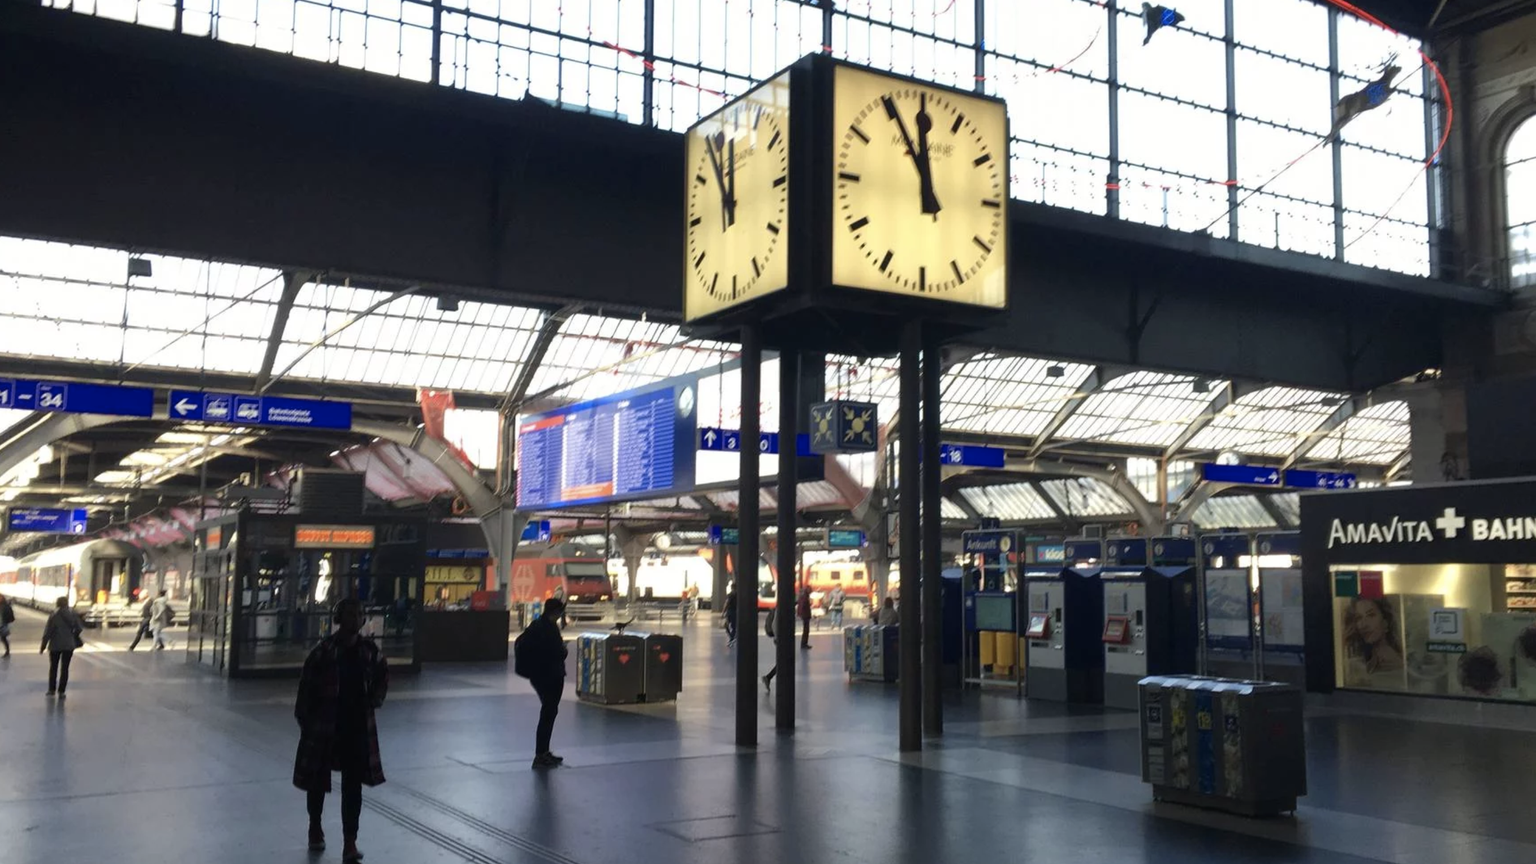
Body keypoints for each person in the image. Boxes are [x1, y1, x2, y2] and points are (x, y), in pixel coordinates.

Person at [294, 599, 389, 862]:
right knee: (317, 779)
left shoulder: (369, 651)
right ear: (339, 618)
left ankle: (350, 841)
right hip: (326, 725)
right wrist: (306, 720)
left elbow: (383, 674)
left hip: (355, 726)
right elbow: (306, 689)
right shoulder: (323, 652)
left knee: (352, 785)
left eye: (358, 614)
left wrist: (374, 699)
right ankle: (315, 825)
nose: (354, 618)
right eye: (349, 614)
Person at [518, 597, 569, 769]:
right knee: (548, 713)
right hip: (550, 676)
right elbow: (556, 653)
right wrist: (564, 649)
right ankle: (541, 754)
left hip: (539, 675)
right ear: (556, 612)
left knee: (548, 712)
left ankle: (543, 752)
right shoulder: (548, 629)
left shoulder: (537, 625)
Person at [1342, 596, 1404, 686]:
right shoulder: (1365, 664)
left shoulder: (1393, 662)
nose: (1363, 625)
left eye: (1371, 615)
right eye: (1359, 618)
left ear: (1385, 621)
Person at [39, 596, 83, 697]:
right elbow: (79, 628)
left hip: (55, 645)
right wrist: (71, 634)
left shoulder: (54, 615)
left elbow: (48, 632)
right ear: (67, 603)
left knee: (53, 667)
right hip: (68, 645)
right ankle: (62, 691)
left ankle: (51, 689)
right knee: (65, 668)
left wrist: (43, 646)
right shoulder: (73, 614)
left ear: (57, 604)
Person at [762, 605, 782, 691]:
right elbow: (775, 624)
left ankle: (768, 677)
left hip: (781, 638)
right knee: (784, 661)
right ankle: (768, 677)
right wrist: (777, 638)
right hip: (780, 639)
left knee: (784, 661)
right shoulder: (780, 609)